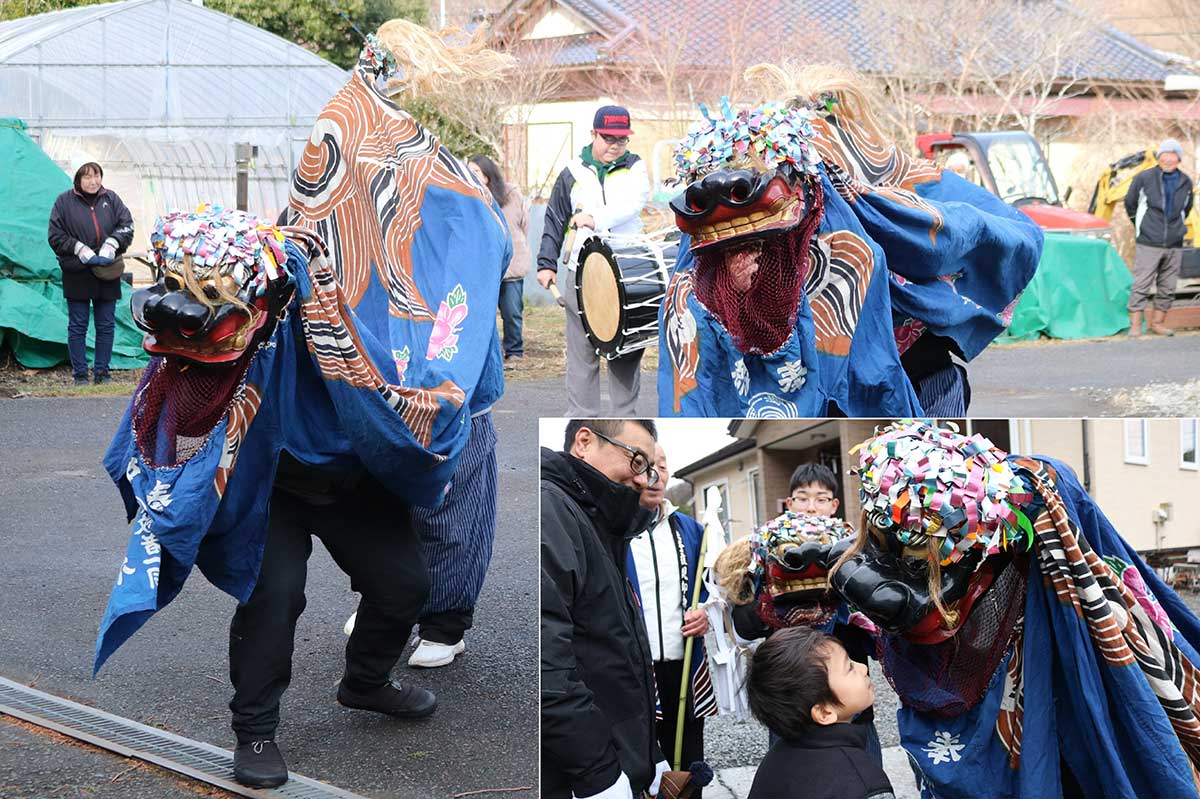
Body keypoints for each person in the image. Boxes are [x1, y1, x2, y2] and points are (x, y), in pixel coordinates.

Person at [542, 419, 669, 799]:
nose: (643, 479)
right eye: (637, 461)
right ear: (584, 441)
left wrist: (647, 755)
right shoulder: (553, 510)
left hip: (614, 756)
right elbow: (548, 666)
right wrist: (597, 773)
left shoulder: (600, 521)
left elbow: (608, 653)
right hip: (575, 774)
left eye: (649, 469)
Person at [536, 105, 651, 415]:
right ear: (593, 134)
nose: (615, 145)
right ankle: (581, 417)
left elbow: (632, 204)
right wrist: (546, 263)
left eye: (621, 139)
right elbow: (555, 219)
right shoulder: (571, 171)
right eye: (608, 138)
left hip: (627, 269)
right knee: (582, 351)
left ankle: (623, 419)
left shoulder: (635, 167)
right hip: (582, 271)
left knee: (625, 349)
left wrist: (594, 218)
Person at [627, 444, 716, 789]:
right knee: (640, 760)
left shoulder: (691, 530)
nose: (655, 476)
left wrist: (707, 613)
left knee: (688, 759)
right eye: (645, 466)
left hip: (684, 664)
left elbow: (713, 590)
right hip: (635, 668)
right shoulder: (614, 529)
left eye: (662, 467)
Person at [745, 627, 894, 799]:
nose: (863, 668)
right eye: (849, 668)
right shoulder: (866, 783)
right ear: (824, 712)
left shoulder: (773, 761)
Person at [47, 162, 134, 386]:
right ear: (78, 179)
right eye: (87, 177)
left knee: (106, 324)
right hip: (78, 271)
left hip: (107, 270)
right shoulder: (64, 202)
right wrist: (78, 248)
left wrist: (112, 243)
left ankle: (102, 373)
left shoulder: (111, 199)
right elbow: (55, 235)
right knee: (78, 324)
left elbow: (126, 226)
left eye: (96, 176)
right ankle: (80, 375)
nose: (93, 181)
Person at [1124, 138, 1193, 337]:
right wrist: (1142, 227)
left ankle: (1157, 324)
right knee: (1141, 284)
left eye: (1172, 155)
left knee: (1168, 286)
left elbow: (1186, 209)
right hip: (1149, 241)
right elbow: (1130, 203)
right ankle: (1135, 326)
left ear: (1179, 159)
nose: (1168, 159)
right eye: (1164, 155)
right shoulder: (1144, 178)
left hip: (1174, 243)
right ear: (1159, 157)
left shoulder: (1186, 182)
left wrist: (1176, 229)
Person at [470, 154, 530, 362]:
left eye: (476, 171)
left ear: (487, 174)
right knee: (482, 313)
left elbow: (524, 225)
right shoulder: (468, 196)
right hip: (483, 266)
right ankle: (485, 354)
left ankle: (514, 351)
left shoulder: (511, 195)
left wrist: (517, 246)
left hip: (512, 264)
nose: (471, 175)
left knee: (512, 312)